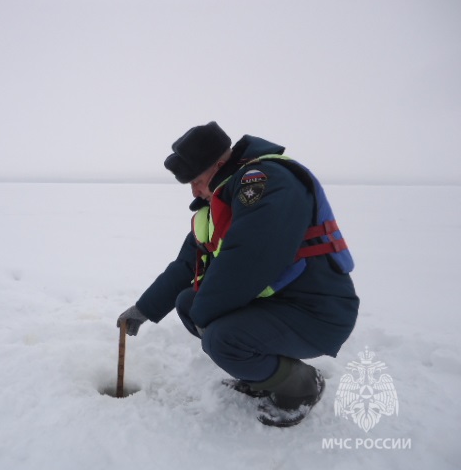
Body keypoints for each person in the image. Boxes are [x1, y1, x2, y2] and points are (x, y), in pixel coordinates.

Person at [116, 121, 359, 427]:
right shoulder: (224, 202)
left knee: (220, 338)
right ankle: (264, 377)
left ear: (219, 165)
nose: (195, 191)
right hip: (282, 305)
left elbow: (249, 259)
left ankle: (301, 387)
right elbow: (185, 265)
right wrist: (144, 309)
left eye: (198, 181)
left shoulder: (265, 183)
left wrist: (205, 317)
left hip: (317, 311)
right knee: (189, 302)